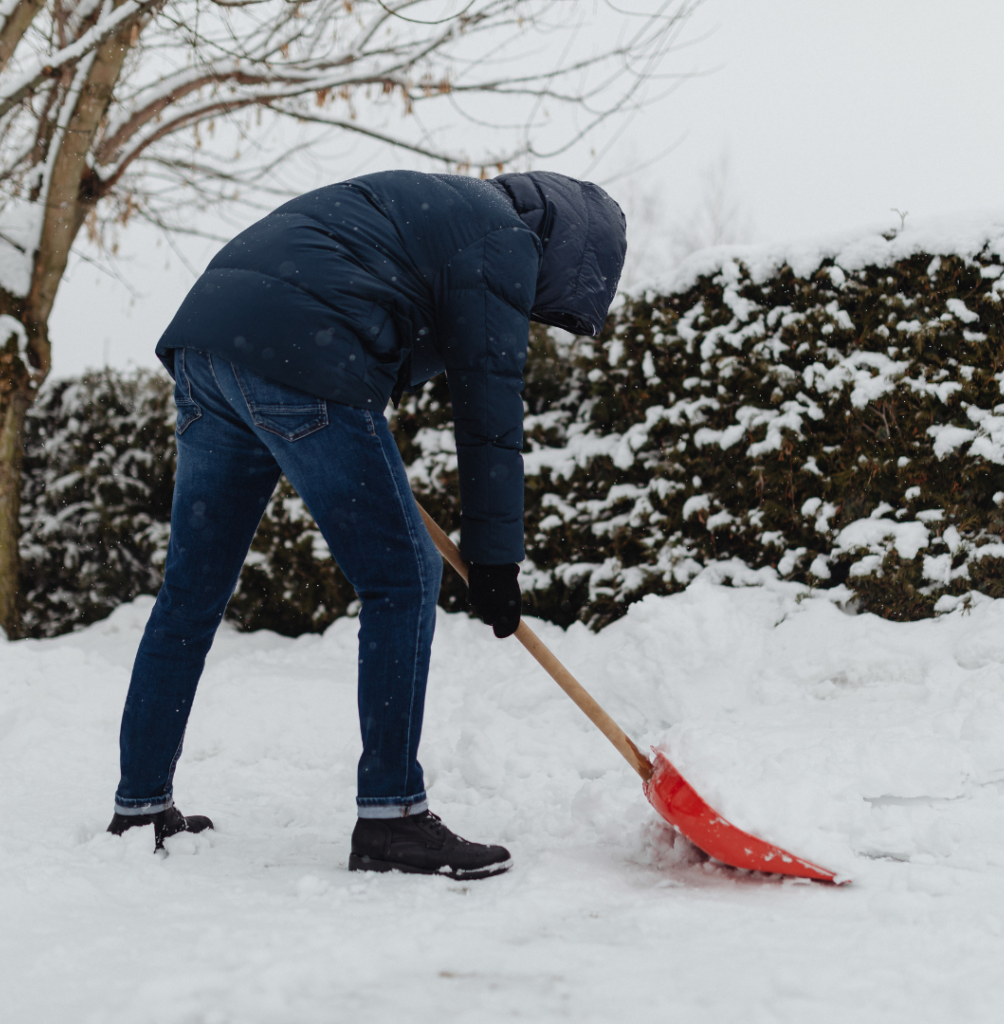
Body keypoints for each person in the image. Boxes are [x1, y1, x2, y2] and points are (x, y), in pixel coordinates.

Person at [106, 169, 626, 879]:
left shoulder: (444, 209)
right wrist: (496, 561)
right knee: (404, 576)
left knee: (190, 594)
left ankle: (139, 805)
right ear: (569, 250)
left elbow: (383, 328)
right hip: (300, 351)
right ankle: (392, 818)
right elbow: (490, 413)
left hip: (209, 350)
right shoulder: (504, 240)